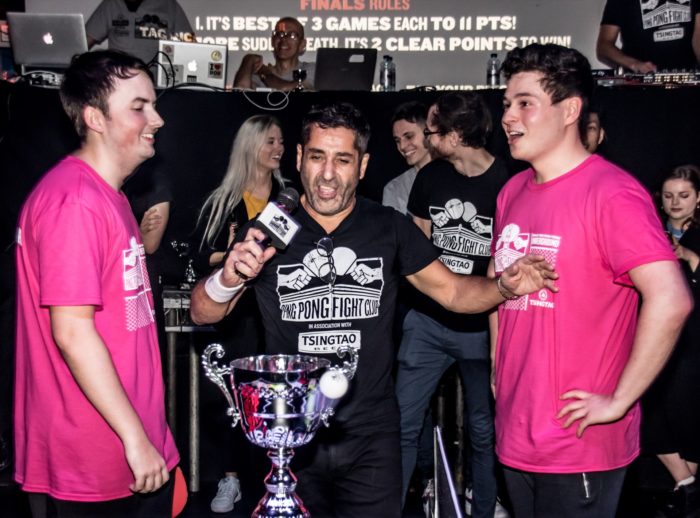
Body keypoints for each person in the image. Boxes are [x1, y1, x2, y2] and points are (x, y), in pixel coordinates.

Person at [190, 102, 558, 517]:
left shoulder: (388, 227)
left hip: (371, 435)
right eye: (317, 157)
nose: (328, 174)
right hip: (292, 434)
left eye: (343, 160)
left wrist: (503, 286)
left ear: (362, 166)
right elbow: (203, 313)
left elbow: (454, 292)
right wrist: (228, 278)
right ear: (299, 158)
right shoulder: (269, 230)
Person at [491, 43, 692, 517]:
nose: (508, 117)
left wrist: (619, 401)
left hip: (578, 441)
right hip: (516, 433)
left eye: (525, 103)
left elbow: (672, 299)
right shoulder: (511, 191)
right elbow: (497, 282)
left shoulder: (612, 193)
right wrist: (499, 365)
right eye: (507, 104)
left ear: (570, 111)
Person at [14, 50, 179, 517]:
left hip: (128, 445)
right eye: (139, 107)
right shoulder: (74, 202)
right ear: (95, 118)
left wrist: (150, 433)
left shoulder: (109, 197)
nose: (157, 119)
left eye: (154, 105)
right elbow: (73, 332)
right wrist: (134, 438)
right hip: (95, 454)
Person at [395, 92, 509, 518]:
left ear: (455, 135)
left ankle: (483, 510)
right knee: (402, 424)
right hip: (427, 323)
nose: (427, 137)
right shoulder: (430, 177)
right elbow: (417, 248)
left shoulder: (507, 182)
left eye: (432, 130)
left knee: (483, 430)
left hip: (481, 328)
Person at [193, 114, 287, 514]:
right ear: (250, 146)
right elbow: (200, 257)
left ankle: (281, 479)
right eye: (270, 141)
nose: (279, 148)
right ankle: (230, 478)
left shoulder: (289, 198)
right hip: (237, 316)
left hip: (280, 313)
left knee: (280, 399)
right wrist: (232, 254)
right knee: (237, 401)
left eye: (281, 141)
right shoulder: (224, 200)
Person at [642, 164, 700, 516]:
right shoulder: (649, 228)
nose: (675, 202)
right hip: (656, 336)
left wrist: (688, 256)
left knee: (690, 417)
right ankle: (688, 486)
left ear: (699, 198)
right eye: (668, 196)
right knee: (647, 413)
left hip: (694, 341)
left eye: (684, 195)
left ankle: (686, 491)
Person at [596, 0, 700, 73]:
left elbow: (698, 37)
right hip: (640, 87)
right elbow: (604, 47)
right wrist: (634, 64)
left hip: (687, 82)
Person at [86, 0, 195, 64]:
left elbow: (191, 45)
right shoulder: (111, 4)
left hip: (157, 85)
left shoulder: (168, 5)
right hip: (119, 81)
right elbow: (84, 41)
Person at [233, 17, 314, 91]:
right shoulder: (257, 76)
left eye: (292, 35)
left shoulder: (310, 70)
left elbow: (288, 88)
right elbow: (239, 91)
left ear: (302, 44)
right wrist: (248, 59)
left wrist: (265, 73)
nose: (284, 39)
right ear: (272, 41)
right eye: (279, 34)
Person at [382, 101, 432, 214]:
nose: (402, 146)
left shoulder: (457, 175)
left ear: (428, 133)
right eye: (397, 140)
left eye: (409, 137)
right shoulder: (395, 188)